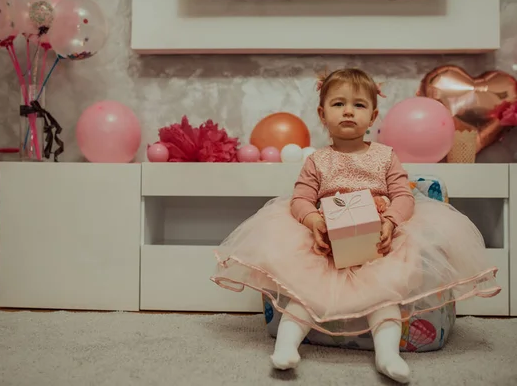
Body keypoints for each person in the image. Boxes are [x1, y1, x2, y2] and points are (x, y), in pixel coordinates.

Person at [210, 68, 501, 384]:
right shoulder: (317, 161)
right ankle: (286, 348)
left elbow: (404, 197)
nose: (348, 111)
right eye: (338, 104)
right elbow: (300, 200)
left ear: (373, 116)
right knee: (306, 292)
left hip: (377, 242)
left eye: (359, 105)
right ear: (323, 114)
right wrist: (313, 220)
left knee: (384, 294)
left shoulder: (386, 156)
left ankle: (387, 355)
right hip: (326, 243)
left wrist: (390, 222)